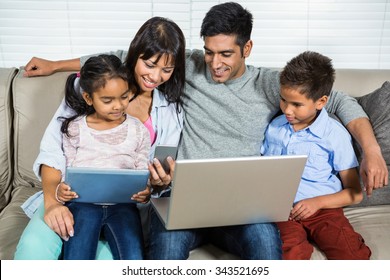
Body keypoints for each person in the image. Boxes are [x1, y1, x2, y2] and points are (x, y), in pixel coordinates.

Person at [19, 2, 387, 260]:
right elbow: (124, 58)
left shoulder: (271, 84)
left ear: (247, 48)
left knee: (264, 242)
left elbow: (336, 100)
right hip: (182, 198)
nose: (215, 63)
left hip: (243, 205)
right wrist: (55, 64)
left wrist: (370, 150)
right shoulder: (187, 65)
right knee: (163, 252)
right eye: (210, 51)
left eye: (226, 53)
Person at [14, 16, 185, 260]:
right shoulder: (90, 88)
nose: (156, 76)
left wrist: (159, 183)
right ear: (135, 54)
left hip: (125, 209)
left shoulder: (170, 111)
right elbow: (53, 151)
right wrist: (53, 203)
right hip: (71, 199)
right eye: (149, 64)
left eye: (166, 70)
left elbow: (155, 179)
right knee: (33, 250)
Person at [261, 51, 372, 260]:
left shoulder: (334, 134)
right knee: (290, 252)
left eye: (297, 104)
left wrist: (317, 203)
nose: (287, 110)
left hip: (324, 211)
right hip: (283, 212)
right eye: (283, 100)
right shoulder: (275, 128)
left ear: (320, 102)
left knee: (349, 252)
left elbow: (355, 193)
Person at [60, 54, 151, 259]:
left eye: (124, 96)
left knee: (134, 258)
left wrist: (146, 191)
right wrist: (61, 189)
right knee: (77, 257)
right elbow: (66, 170)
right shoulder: (75, 129)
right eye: (108, 100)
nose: (118, 106)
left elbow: (141, 170)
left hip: (123, 206)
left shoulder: (138, 130)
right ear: (88, 98)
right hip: (82, 205)